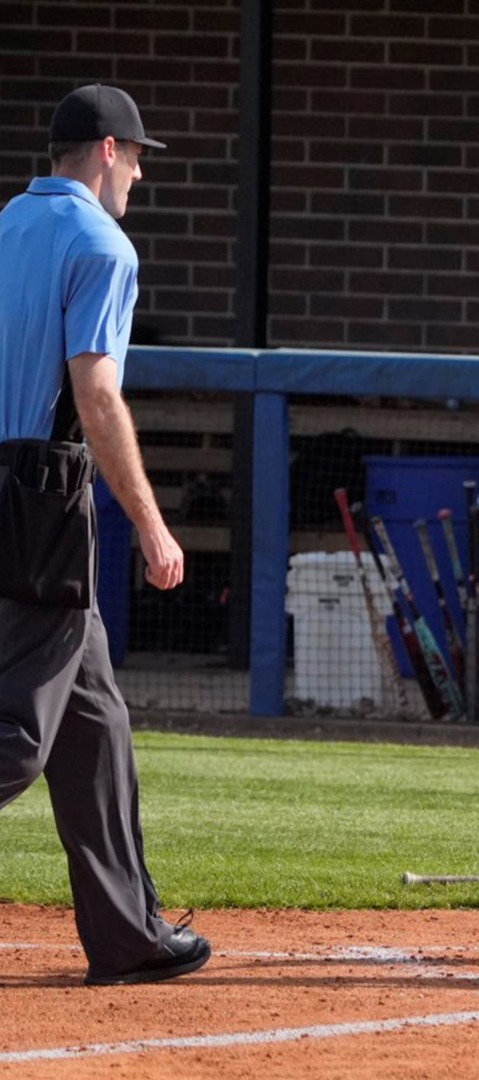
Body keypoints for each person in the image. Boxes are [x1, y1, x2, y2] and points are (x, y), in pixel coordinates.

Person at [0, 84, 211, 986]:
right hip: (40, 490)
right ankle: (128, 931)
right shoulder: (101, 243)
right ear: (107, 152)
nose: (138, 176)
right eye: (137, 158)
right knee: (18, 725)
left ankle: (128, 934)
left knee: (95, 718)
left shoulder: (8, 221)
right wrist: (154, 528)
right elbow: (95, 395)